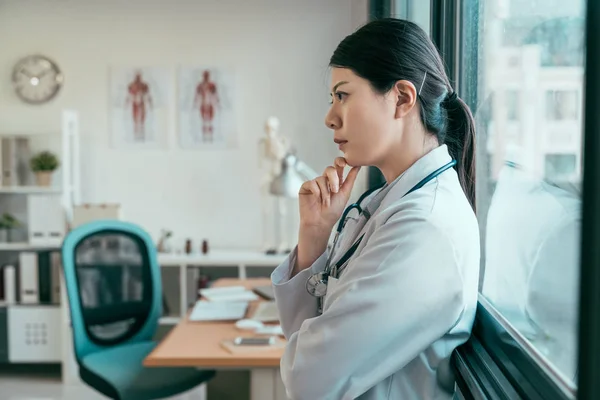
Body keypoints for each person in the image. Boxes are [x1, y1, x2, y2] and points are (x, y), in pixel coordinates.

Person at [271, 18, 480, 400]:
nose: (329, 117)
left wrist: (304, 351)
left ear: (402, 98)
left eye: (343, 95)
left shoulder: (425, 227)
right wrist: (315, 235)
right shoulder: (381, 205)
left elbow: (307, 378)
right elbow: (303, 344)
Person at [125, 71, 152, 141]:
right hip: (135, 103)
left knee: (142, 118)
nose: (137, 78)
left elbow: (148, 95)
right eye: (136, 76)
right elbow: (128, 95)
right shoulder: (131, 85)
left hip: (142, 102)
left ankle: (142, 134)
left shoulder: (144, 85)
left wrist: (150, 103)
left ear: (141, 76)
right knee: (135, 118)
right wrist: (126, 103)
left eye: (139, 76)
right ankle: (135, 134)